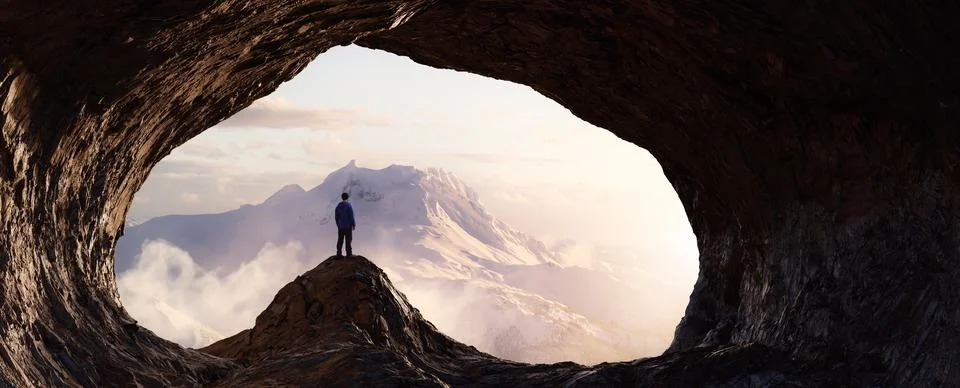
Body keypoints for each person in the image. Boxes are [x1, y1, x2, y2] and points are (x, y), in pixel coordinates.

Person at [334, 192, 356, 256]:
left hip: (340, 226)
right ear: (348, 197)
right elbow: (351, 216)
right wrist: (353, 224)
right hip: (348, 226)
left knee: (340, 239)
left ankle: (339, 253)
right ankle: (349, 253)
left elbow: (336, 217)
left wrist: (338, 224)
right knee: (348, 240)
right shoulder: (349, 206)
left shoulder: (338, 206)